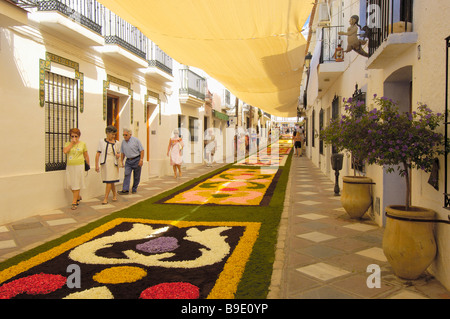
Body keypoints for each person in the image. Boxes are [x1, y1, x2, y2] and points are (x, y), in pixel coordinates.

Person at [63, 128, 90, 210]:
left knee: (77, 183)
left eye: (76, 136)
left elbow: (86, 155)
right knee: (70, 184)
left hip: (79, 166)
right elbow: (65, 151)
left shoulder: (83, 144)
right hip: (70, 166)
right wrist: (71, 143)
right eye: (72, 136)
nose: (74, 138)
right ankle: (78, 196)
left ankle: (74, 201)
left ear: (79, 136)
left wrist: (88, 165)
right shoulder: (67, 143)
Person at [95, 125, 121, 204]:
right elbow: (98, 153)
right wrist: (96, 165)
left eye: (114, 134)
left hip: (113, 163)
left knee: (109, 180)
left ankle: (105, 198)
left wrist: (118, 156)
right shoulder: (101, 142)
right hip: (105, 163)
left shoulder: (117, 143)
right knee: (110, 180)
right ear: (107, 133)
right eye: (112, 134)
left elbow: (119, 153)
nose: (113, 136)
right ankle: (114, 195)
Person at [119, 128, 144, 194]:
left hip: (136, 159)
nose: (124, 136)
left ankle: (134, 188)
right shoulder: (123, 142)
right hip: (128, 161)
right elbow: (122, 152)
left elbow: (142, 150)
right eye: (123, 135)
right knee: (127, 174)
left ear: (130, 134)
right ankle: (125, 189)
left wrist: (141, 160)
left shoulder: (136, 140)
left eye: (126, 135)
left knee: (136, 176)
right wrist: (121, 161)